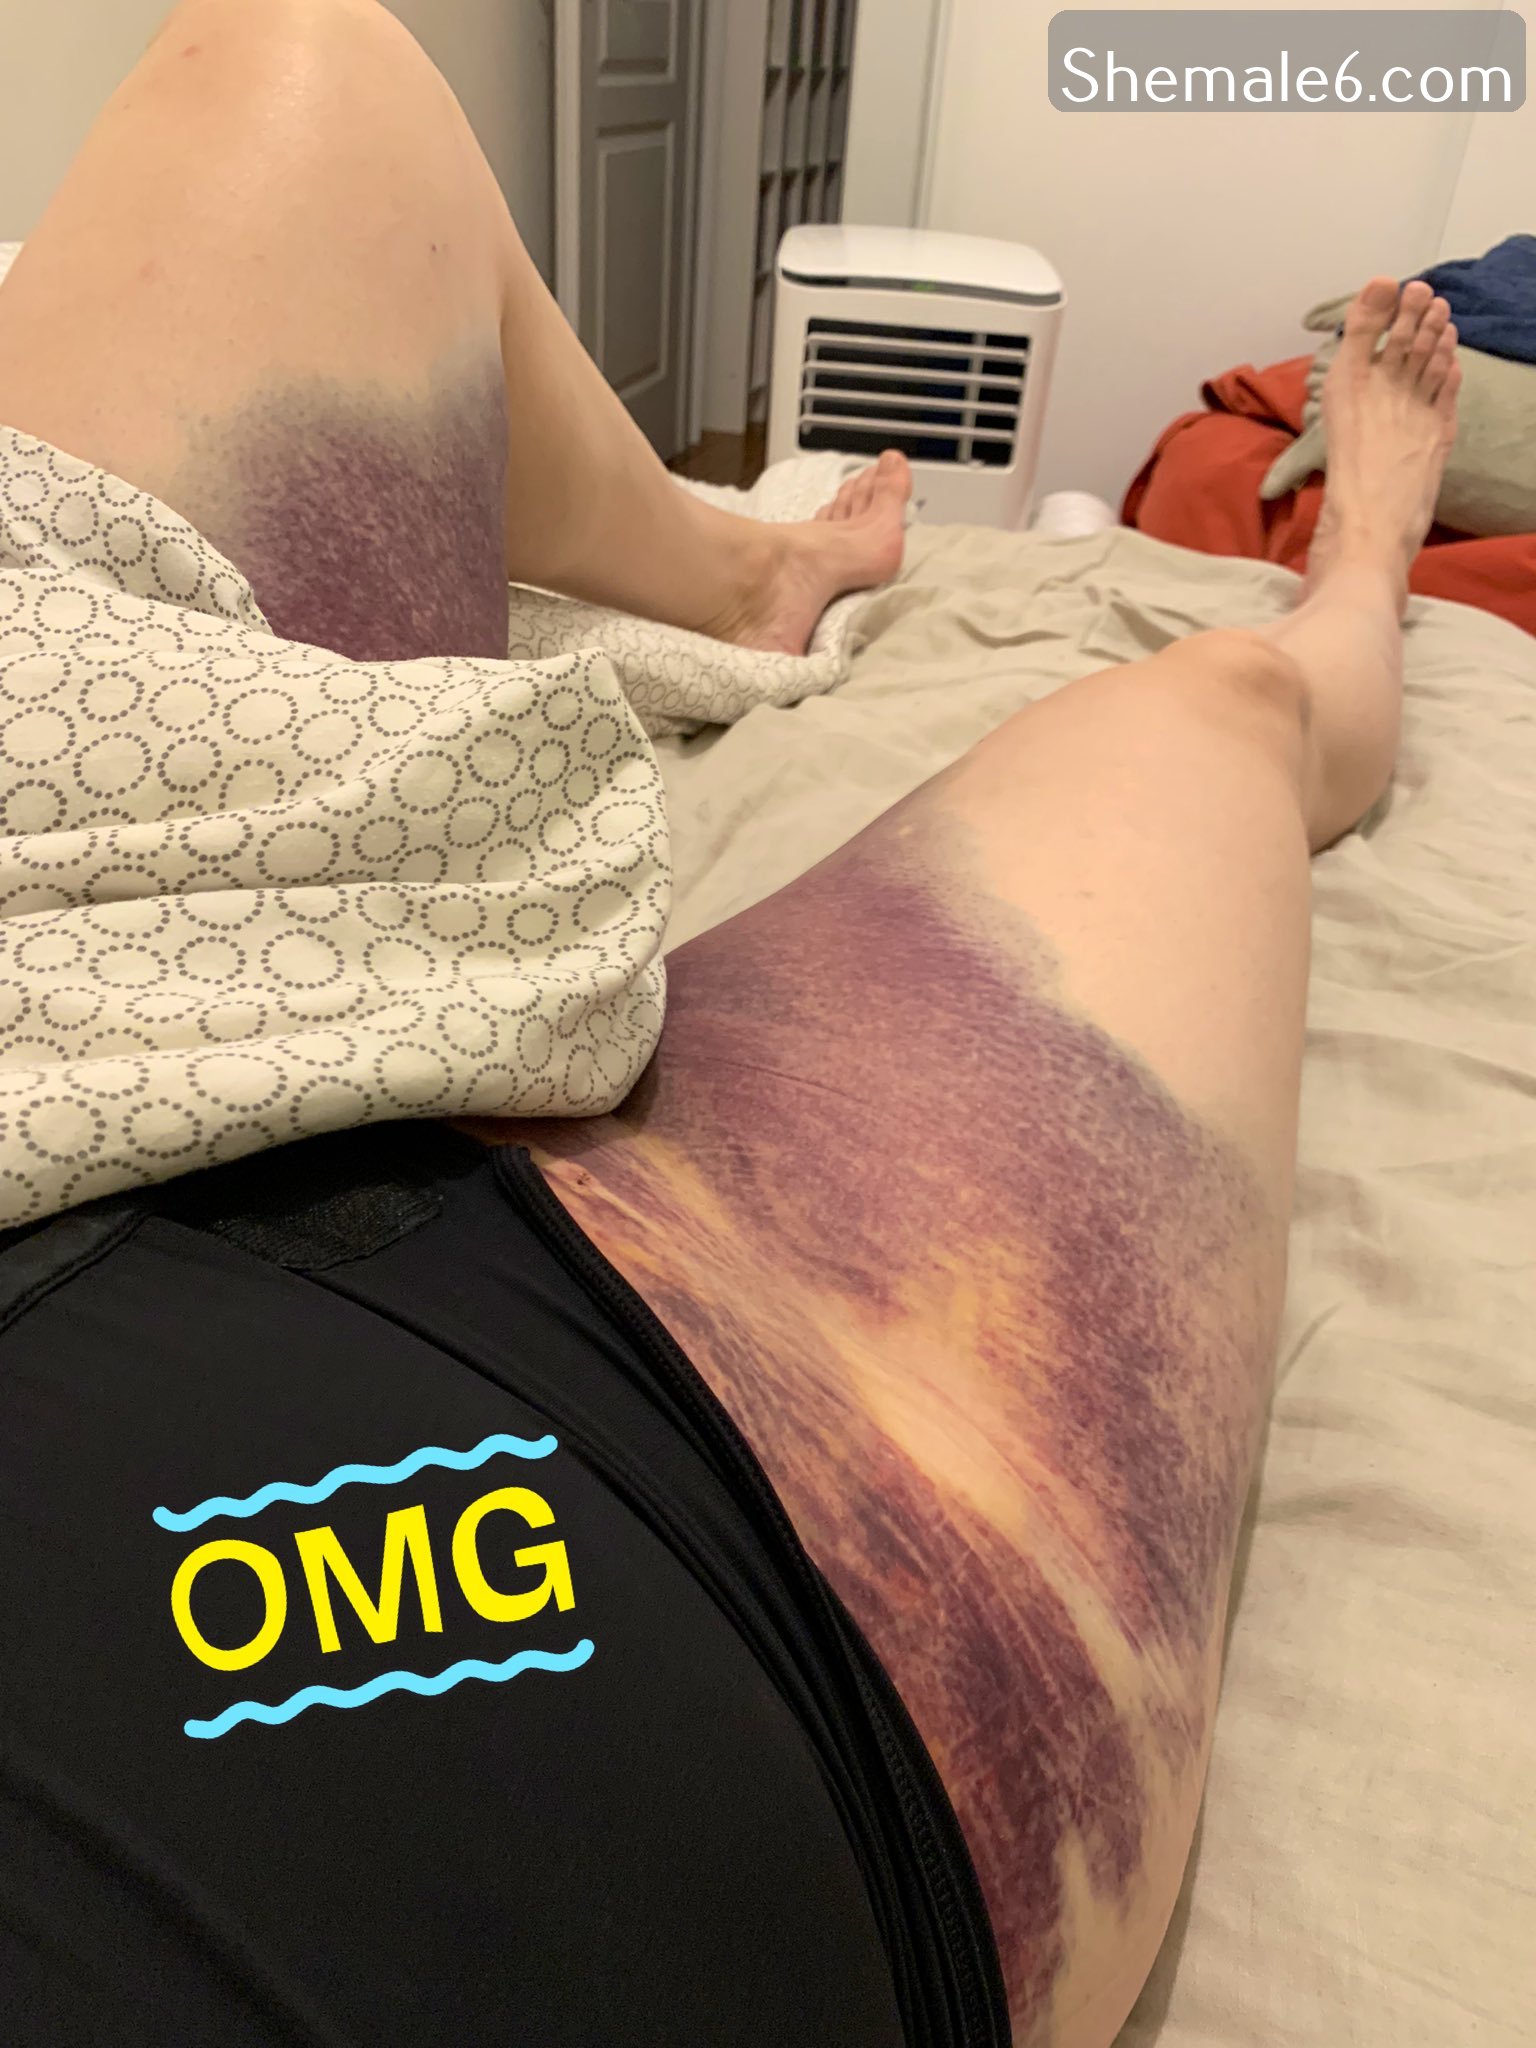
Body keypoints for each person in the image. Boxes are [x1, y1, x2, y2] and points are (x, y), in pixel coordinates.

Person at [0, 5, 1460, 2045]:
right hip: (549, 1564)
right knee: (1220, 706)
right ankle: (1364, 571)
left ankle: (738, 572)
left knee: (298, 70)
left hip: (82, 922)